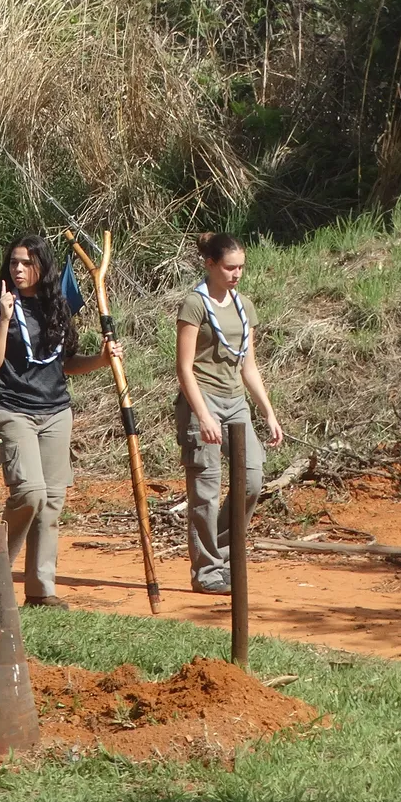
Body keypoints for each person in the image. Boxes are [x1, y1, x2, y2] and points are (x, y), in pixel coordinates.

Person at [0, 234, 118, 609]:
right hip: (14, 409)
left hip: (56, 411)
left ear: (42, 266)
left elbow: (65, 364)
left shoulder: (57, 307)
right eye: (13, 263)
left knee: (52, 502)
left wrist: (101, 360)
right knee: (30, 493)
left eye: (26, 263)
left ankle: (41, 591)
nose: (18, 269)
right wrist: (6, 320)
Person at [174, 232, 284, 595]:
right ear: (210, 264)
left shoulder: (244, 306)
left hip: (235, 401)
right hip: (202, 399)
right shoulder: (195, 304)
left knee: (251, 479)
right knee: (205, 490)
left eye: (241, 267)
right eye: (229, 267)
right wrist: (203, 415)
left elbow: (249, 365)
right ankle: (206, 571)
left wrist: (267, 410)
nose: (236, 274)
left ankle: (221, 553)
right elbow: (184, 368)